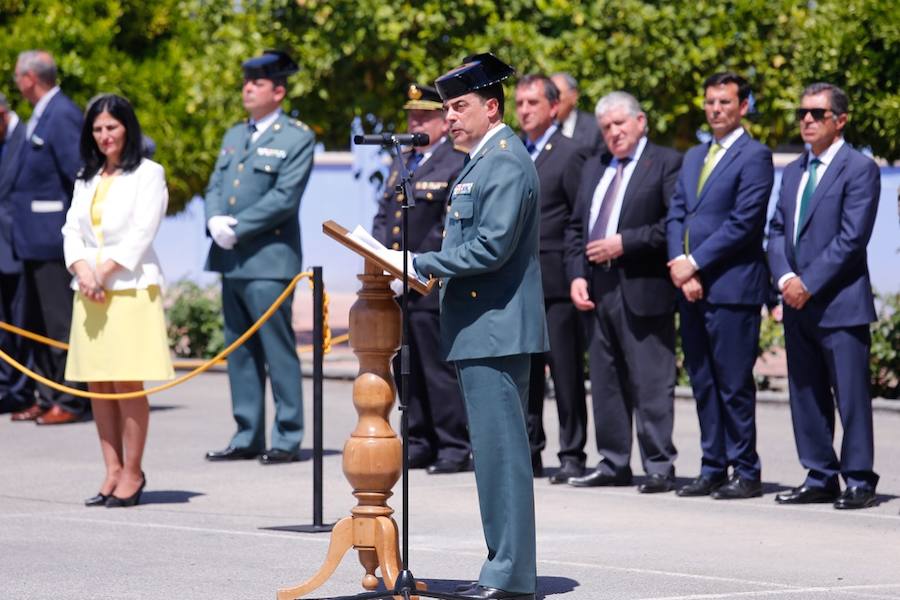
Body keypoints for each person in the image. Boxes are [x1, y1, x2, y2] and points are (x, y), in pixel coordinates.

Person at [410, 52, 546, 600]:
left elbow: (490, 246)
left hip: (496, 329)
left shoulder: (506, 161)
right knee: (490, 458)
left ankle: (510, 575)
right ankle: (503, 566)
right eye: (446, 109)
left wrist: (420, 263)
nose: (450, 118)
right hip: (480, 328)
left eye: (460, 106)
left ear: (492, 107)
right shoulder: (484, 160)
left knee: (502, 458)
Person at [767, 83, 881, 510]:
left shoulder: (859, 169)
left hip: (840, 303)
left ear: (841, 120)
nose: (807, 120)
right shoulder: (795, 171)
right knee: (806, 392)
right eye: (803, 113)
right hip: (796, 300)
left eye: (817, 113)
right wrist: (784, 279)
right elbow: (777, 230)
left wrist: (807, 282)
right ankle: (819, 474)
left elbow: (852, 239)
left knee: (850, 396)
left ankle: (858, 478)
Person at [565, 91, 682, 493]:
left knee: (651, 379)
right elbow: (577, 227)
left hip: (642, 284)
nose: (614, 133)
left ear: (640, 122)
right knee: (605, 378)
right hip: (598, 286)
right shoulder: (596, 166)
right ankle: (613, 461)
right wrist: (576, 275)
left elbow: (673, 225)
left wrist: (624, 242)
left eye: (620, 124)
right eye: (606, 127)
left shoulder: (665, 162)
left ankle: (658, 465)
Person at [665, 72, 774, 500]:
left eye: (725, 102)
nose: (716, 109)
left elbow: (744, 224)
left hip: (731, 288)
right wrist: (679, 263)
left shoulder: (756, 155)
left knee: (733, 383)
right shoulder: (693, 155)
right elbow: (677, 212)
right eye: (710, 102)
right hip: (688, 284)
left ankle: (745, 470)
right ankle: (713, 465)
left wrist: (694, 263)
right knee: (703, 381)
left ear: (743, 106)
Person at [62, 94, 173, 507]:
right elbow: (71, 229)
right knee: (98, 384)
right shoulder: (87, 176)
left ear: (128, 127)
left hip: (128, 286)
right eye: (97, 129)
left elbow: (143, 231)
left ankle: (133, 470)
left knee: (127, 383)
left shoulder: (149, 173)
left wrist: (105, 272)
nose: (105, 136)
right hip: (89, 289)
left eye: (112, 127)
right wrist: (83, 270)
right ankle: (110, 469)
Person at [204, 50, 314, 465]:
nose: (248, 88)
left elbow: (285, 197)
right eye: (246, 81)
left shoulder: (296, 137)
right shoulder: (234, 135)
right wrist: (214, 218)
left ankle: (286, 436)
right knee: (239, 348)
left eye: (258, 83)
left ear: (278, 91)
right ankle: (246, 431)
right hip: (230, 258)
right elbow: (215, 184)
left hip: (269, 259)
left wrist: (237, 226)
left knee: (276, 348)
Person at [371, 83, 471, 473]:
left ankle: (452, 444)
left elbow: (449, 224)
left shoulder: (455, 161)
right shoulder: (403, 160)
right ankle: (418, 439)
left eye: (424, 116)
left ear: (443, 121)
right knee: (405, 364)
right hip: (397, 280)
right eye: (412, 116)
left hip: (430, 280)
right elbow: (385, 216)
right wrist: (381, 260)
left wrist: (416, 265)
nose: (415, 122)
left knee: (436, 365)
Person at [514, 74, 589, 482]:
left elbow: (579, 216)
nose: (524, 110)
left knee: (565, 371)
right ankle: (530, 450)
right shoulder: (514, 151)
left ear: (554, 108)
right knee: (526, 371)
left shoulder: (572, 152)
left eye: (533, 103)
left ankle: (572, 452)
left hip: (557, 279)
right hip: (520, 281)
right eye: (520, 103)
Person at [8, 50, 88, 425]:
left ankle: (71, 399)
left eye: (16, 76)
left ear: (29, 78)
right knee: (35, 324)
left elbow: (79, 178)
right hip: (30, 240)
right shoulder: (40, 115)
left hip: (53, 238)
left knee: (60, 324)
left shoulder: (62, 114)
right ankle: (46, 392)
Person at [0, 92, 35, 415]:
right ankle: (6, 387)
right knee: (3, 325)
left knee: (22, 322)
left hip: (21, 246)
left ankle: (24, 390)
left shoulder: (27, 137)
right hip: (1, 249)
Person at [550, 72, 603, 155]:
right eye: (549, 95)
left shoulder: (595, 128)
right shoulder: (539, 129)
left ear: (574, 95)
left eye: (557, 94)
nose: (552, 100)